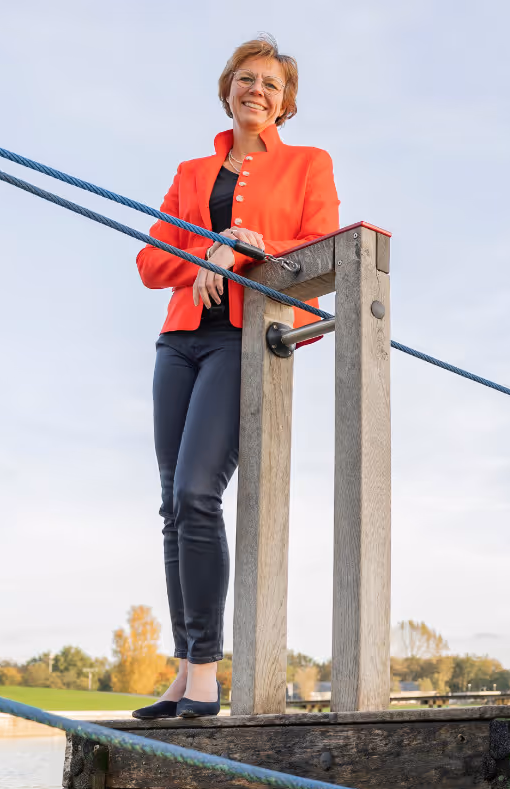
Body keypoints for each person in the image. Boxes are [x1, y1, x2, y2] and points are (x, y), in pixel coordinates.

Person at [131, 35, 339, 720]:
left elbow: (321, 246)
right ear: (228, 90)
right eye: (246, 79)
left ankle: (205, 671)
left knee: (197, 491)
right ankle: (187, 672)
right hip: (180, 338)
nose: (257, 90)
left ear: (287, 104)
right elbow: (149, 263)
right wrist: (201, 252)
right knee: (171, 504)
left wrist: (249, 244)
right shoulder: (193, 172)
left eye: (270, 84)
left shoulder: (310, 164)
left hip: (246, 338)